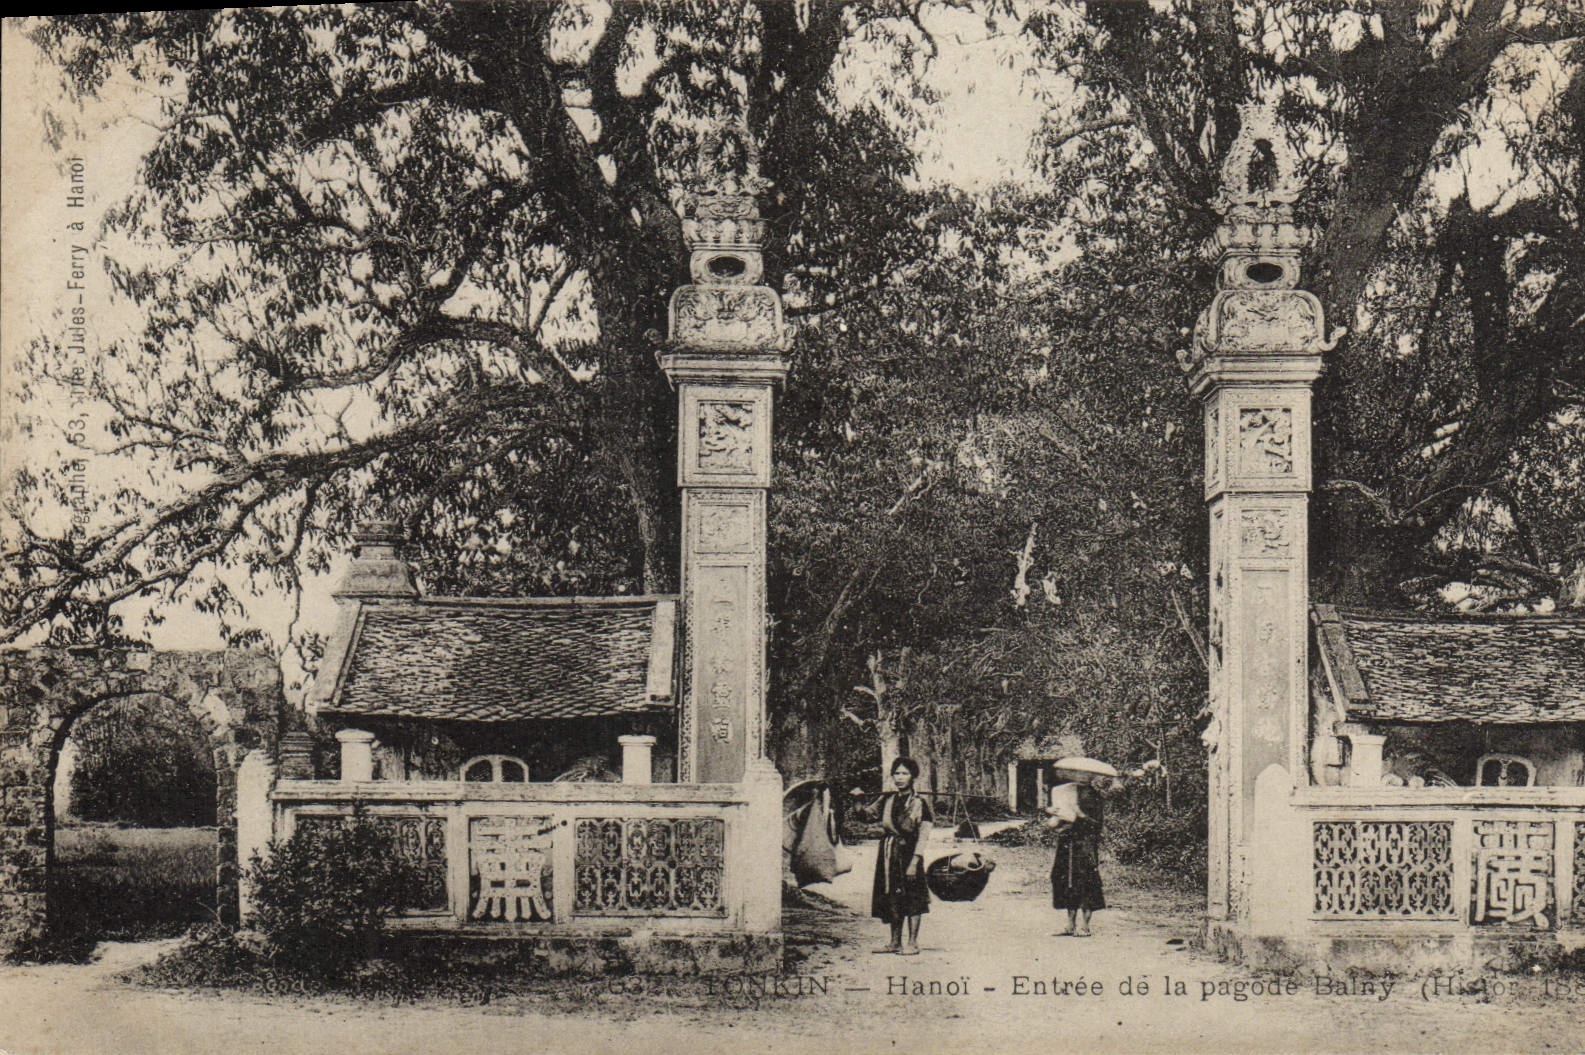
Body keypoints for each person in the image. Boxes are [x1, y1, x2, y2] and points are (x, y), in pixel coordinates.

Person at [850, 757, 933, 955]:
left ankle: (912, 943)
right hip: (888, 853)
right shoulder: (887, 799)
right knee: (891, 895)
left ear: (912, 777)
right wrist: (858, 800)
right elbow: (866, 816)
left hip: (909, 853)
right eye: (897, 773)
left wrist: (914, 862)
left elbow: (923, 836)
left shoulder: (919, 803)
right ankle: (895, 942)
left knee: (913, 896)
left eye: (904, 773)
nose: (900, 778)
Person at [1045, 775, 1106, 936]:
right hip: (1066, 843)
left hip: (1085, 844)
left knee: (1085, 881)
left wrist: (1080, 814)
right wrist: (1051, 812)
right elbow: (1059, 819)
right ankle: (1070, 925)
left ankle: (1085, 926)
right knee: (1065, 880)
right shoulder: (1066, 791)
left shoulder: (1094, 796)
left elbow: (1097, 825)